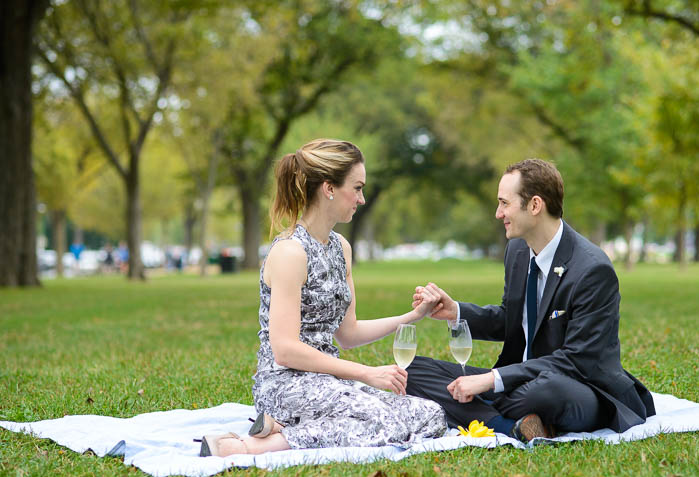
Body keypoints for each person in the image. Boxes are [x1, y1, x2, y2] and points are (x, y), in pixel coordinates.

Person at [199, 139, 447, 457]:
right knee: (384, 422)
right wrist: (367, 373)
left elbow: (348, 333)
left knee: (430, 416)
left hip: (329, 383)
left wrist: (412, 317)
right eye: (356, 188)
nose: (362, 198)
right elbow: (285, 350)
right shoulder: (290, 252)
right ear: (329, 188)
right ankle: (248, 446)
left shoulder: (341, 248)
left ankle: (282, 427)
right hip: (286, 385)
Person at [406, 159, 655, 442]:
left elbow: (577, 360)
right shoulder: (517, 251)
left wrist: (492, 381)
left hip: (579, 386)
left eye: (504, 203)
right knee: (410, 371)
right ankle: (508, 425)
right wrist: (456, 312)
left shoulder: (592, 269)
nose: (498, 213)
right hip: (520, 382)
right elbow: (511, 319)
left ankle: (486, 411)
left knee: (545, 391)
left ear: (535, 205)